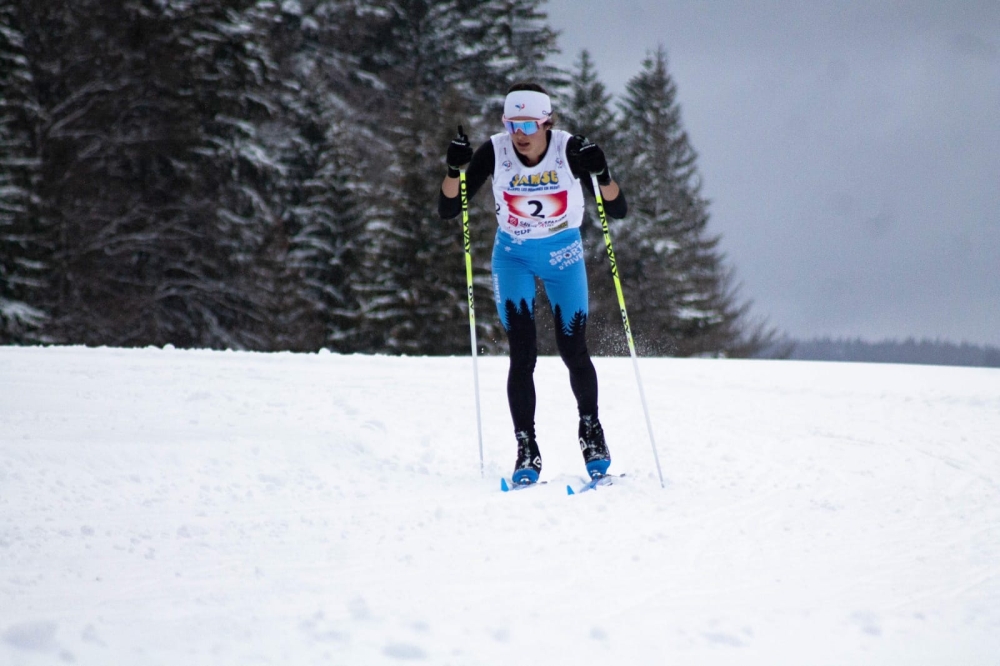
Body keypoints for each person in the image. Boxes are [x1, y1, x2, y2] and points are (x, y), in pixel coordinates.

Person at [438, 82, 629, 485]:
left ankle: (591, 433)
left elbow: (617, 208)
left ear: (547, 122)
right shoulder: (496, 150)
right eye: (512, 124)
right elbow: (449, 208)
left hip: (564, 255)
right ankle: (527, 447)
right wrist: (453, 170)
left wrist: (602, 172)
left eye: (528, 125)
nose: (520, 135)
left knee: (572, 348)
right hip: (514, 257)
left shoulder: (570, 149)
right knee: (522, 354)